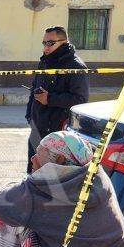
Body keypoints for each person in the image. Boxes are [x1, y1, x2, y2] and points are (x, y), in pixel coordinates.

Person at [25, 26, 88, 173]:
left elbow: (80, 99)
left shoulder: (75, 66)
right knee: (33, 172)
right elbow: (34, 88)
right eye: (44, 43)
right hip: (37, 127)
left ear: (64, 42)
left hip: (57, 132)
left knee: (52, 178)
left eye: (50, 43)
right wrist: (29, 115)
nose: (46, 47)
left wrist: (50, 99)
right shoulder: (45, 62)